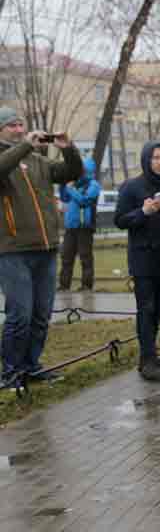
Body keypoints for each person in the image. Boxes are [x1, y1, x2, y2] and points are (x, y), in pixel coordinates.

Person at [0, 108, 83, 386]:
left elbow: (73, 171)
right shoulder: (11, 157)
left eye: (21, 124)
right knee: (19, 315)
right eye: (12, 125)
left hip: (46, 248)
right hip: (12, 251)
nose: (19, 129)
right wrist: (25, 146)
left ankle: (31, 366)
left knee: (41, 314)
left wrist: (67, 148)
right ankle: (11, 372)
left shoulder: (37, 160)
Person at [115, 142, 160, 382]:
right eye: (155, 157)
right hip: (143, 257)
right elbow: (120, 220)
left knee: (158, 310)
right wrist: (143, 212)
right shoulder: (132, 187)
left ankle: (152, 357)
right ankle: (146, 360)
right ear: (146, 160)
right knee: (146, 309)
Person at [58, 157, 101, 292]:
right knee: (66, 257)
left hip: (85, 227)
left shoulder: (93, 185)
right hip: (71, 227)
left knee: (85, 257)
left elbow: (84, 201)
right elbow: (65, 198)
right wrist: (62, 185)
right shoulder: (75, 184)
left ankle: (86, 286)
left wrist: (71, 189)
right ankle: (64, 286)